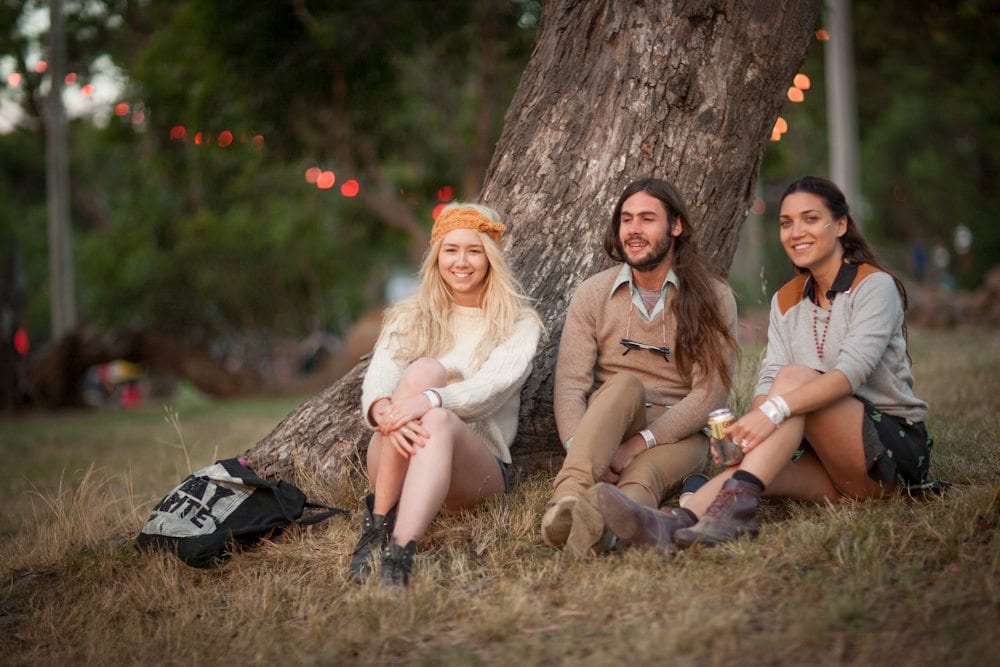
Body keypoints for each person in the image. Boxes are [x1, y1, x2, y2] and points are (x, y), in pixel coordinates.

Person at [595, 175, 934, 553]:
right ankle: (668, 525)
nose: (795, 232)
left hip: (888, 458)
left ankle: (731, 516)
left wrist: (770, 412)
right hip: (832, 472)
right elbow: (769, 378)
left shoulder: (874, 287)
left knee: (795, 380)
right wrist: (748, 430)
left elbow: (848, 375)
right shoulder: (786, 300)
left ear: (840, 225)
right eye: (786, 223)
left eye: (810, 219)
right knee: (750, 465)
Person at [541, 177, 738, 557]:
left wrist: (637, 446)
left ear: (675, 227)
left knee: (643, 475)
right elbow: (569, 386)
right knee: (625, 383)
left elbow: (711, 394)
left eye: (647, 218)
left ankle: (602, 533)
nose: (633, 229)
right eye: (626, 219)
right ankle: (565, 502)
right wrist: (587, 450)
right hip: (612, 416)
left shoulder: (714, 296)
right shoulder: (593, 293)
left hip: (681, 431)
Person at [352, 203, 544, 587]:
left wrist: (431, 401)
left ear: (490, 258)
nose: (462, 261)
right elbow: (378, 382)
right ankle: (377, 525)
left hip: (474, 468)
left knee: (437, 414)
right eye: (450, 249)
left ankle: (399, 557)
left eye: (474, 250)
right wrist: (385, 408)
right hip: (395, 459)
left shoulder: (519, 324)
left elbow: (488, 391)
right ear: (436, 255)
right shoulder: (409, 314)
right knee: (423, 370)